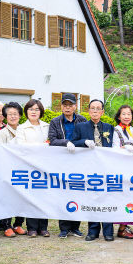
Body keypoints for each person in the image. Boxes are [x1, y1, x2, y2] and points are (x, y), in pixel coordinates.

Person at [69, 99, 114, 241]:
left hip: (106, 168)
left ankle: (108, 231)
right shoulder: (81, 127)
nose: (95, 111)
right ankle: (93, 231)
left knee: (107, 198)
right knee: (92, 198)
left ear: (102, 112)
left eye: (98, 108)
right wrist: (84, 142)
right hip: (89, 168)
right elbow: (73, 142)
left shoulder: (109, 127)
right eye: (92, 108)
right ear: (88, 111)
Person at [49, 93, 87, 238]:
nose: (67, 107)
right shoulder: (55, 121)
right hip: (62, 162)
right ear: (61, 106)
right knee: (63, 193)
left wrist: (81, 143)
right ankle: (64, 228)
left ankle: (75, 227)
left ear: (75, 106)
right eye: (65, 105)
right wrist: (66, 142)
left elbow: (85, 137)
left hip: (79, 161)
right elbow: (52, 140)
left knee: (78, 192)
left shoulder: (82, 120)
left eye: (70, 105)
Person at [16, 99, 50, 237]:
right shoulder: (21, 128)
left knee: (44, 197)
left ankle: (43, 227)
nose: (34, 112)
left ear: (41, 111)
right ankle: (32, 228)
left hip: (45, 166)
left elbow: (51, 144)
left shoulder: (47, 126)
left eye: (36, 109)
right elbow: (21, 146)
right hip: (28, 167)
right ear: (26, 112)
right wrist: (42, 146)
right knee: (31, 197)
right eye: (31, 109)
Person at [0, 102, 24, 237]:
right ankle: (6, 226)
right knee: (7, 198)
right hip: (7, 169)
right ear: (5, 116)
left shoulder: (23, 131)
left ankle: (18, 224)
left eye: (15, 114)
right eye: (10, 114)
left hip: (22, 170)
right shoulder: (2, 133)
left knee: (20, 198)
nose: (13, 117)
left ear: (20, 116)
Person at [111, 104, 133, 240]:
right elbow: (114, 148)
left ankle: (125, 226)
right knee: (122, 196)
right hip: (121, 167)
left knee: (131, 196)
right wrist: (124, 148)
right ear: (119, 116)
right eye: (124, 114)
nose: (127, 116)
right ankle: (121, 228)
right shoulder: (116, 130)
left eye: (129, 114)